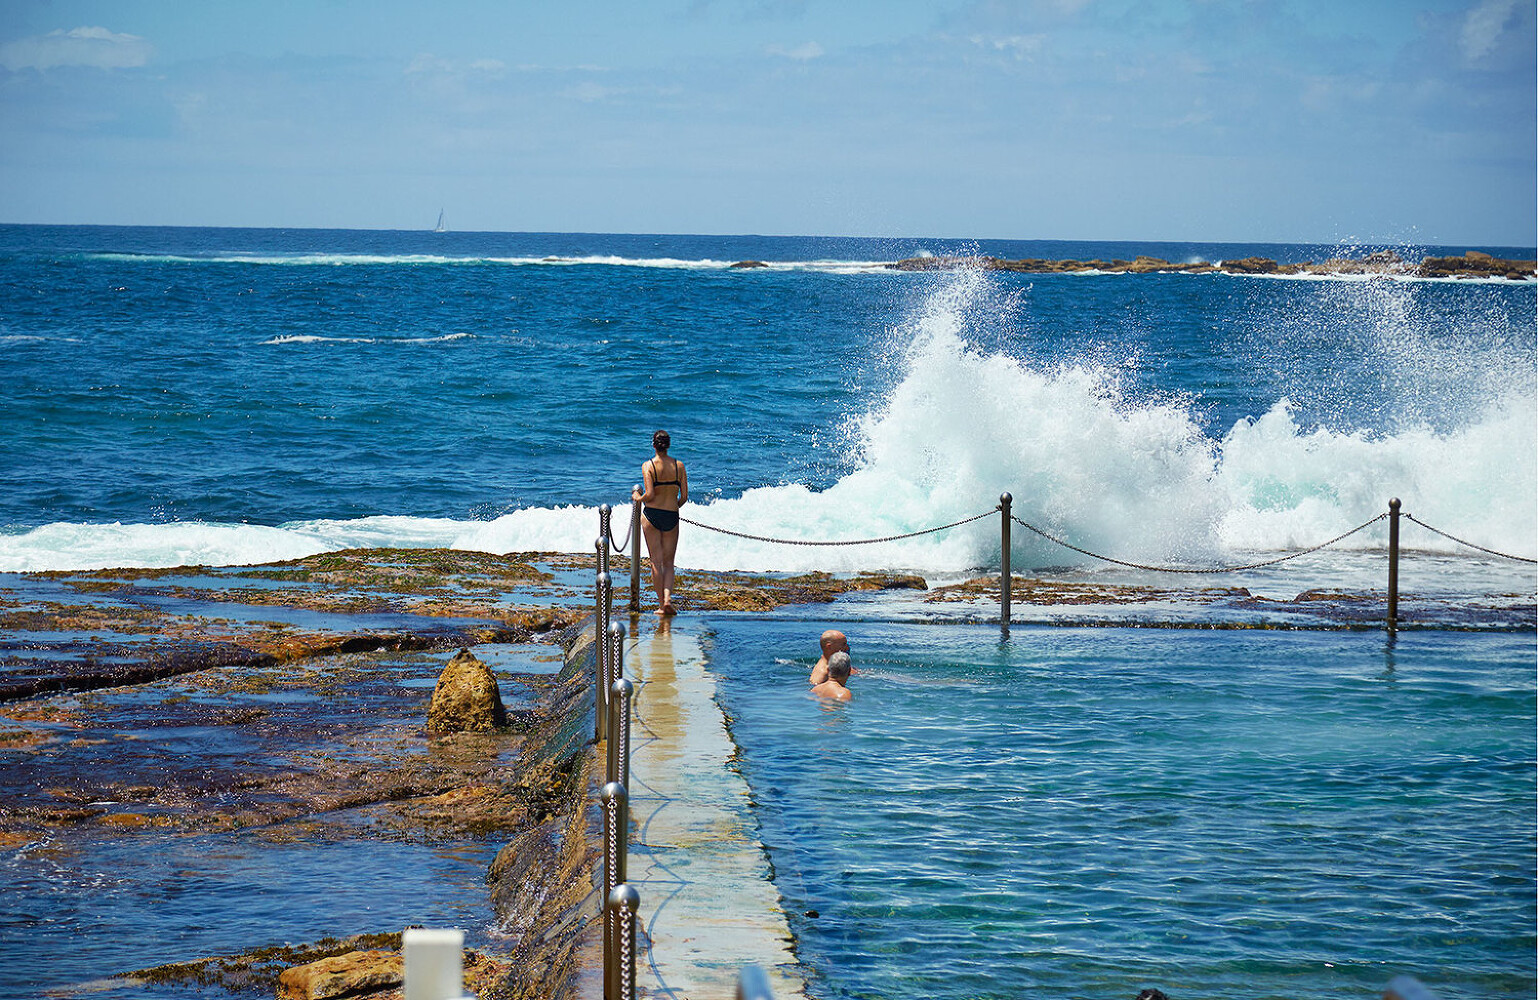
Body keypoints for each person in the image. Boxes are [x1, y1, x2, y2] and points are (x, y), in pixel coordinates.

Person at [632, 429, 688, 615]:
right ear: (668, 445)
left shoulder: (648, 465)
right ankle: (668, 600)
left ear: (653, 445)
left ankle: (661, 605)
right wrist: (673, 506)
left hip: (652, 515)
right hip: (671, 514)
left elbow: (650, 494)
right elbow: (684, 497)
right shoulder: (679, 466)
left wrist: (638, 497)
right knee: (669, 563)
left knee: (656, 562)